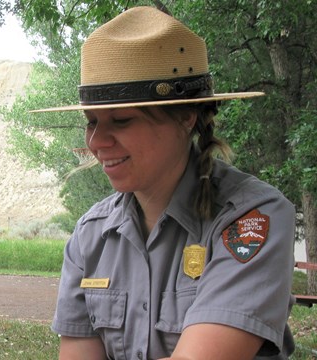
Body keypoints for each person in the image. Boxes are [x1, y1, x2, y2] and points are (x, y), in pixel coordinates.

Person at [34, 6, 295, 360]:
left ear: (186, 116)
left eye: (122, 120)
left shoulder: (250, 219)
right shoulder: (90, 237)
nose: (96, 142)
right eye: (91, 120)